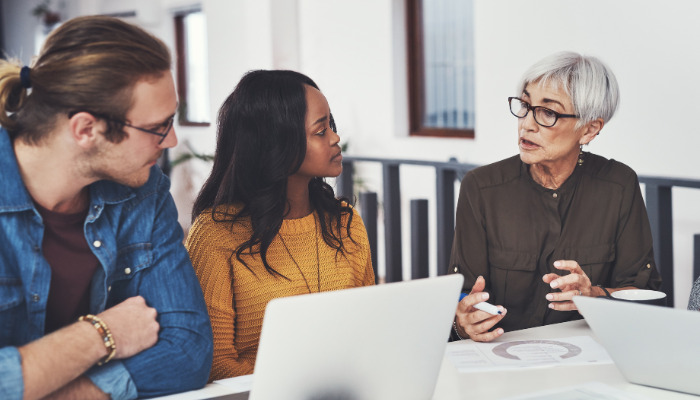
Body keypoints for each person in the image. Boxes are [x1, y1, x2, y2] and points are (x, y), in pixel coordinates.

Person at [0, 16, 213, 400]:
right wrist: (101, 334)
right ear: (85, 129)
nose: (172, 140)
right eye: (157, 127)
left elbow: (187, 351)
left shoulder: (143, 195)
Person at [450, 52, 661, 342]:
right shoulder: (481, 188)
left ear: (589, 129)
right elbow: (462, 298)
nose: (526, 123)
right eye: (525, 105)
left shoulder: (619, 186)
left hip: (589, 358)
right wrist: (464, 324)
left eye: (548, 113)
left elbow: (644, 296)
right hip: (501, 358)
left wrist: (594, 296)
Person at [187, 70, 375, 380]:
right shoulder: (215, 235)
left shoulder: (344, 222)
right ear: (276, 142)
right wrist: (298, 384)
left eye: (331, 125)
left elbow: (369, 328)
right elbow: (215, 363)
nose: (335, 137)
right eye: (320, 130)